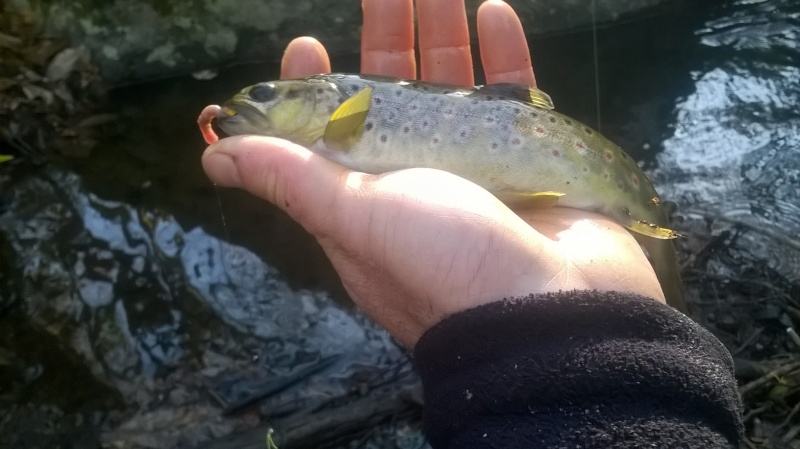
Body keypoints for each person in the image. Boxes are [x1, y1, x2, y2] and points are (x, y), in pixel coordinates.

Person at [201, 0, 743, 446]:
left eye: (267, 95)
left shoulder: (341, 119)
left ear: (322, 100)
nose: (251, 103)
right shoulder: (330, 135)